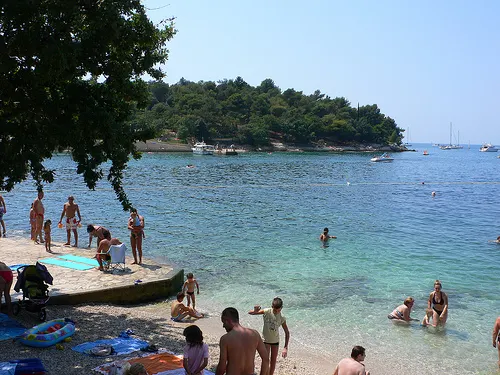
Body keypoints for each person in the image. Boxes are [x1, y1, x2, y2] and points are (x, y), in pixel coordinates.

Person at [216, 307, 269, 375]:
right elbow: (266, 359)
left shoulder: (225, 339)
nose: (223, 326)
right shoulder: (255, 334)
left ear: (227, 320)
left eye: (223, 322)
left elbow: (222, 367)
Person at [248, 297, 290, 375]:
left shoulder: (282, 318)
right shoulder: (267, 311)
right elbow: (250, 313)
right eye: (275, 310)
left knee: (273, 361)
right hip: (265, 341)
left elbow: (287, 332)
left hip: (275, 342)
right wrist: (255, 310)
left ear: (282, 308)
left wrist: (285, 347)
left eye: (279, 310)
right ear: (272, 306)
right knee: (265, 360)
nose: (277, 312)